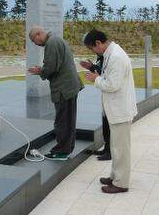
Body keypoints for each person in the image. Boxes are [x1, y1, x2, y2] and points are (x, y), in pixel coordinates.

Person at [83, 29, 137, 194]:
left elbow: (113, 85)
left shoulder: (116, 57)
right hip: (115, 109)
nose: (93, 52)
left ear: (98, 43)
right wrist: (97, 72)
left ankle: (121, 183)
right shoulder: (111, 53)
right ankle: (115, 176)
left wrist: (95, 79)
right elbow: (109, 76)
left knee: (121, 149)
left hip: (120, 110)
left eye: (92, 48)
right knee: (115, 147)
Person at [27, 26, 84, 161]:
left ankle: (61, 152)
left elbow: (51, 67)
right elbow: (56, 64)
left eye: (35, 41)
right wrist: (43, 69)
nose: (36, 44)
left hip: (64, 89)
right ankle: (66, 149)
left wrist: (40, 71)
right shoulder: (56, 40)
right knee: (68, 120)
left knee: (62, 121)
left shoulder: (51, 43)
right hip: (70, 87)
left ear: (39, 34)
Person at [81, 50, 111, 161]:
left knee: (108, 125)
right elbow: (101, 71)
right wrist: (91, 67)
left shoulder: (109, 57)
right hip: (105, 94)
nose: (92, 50)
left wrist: (93, 71)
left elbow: (105, 74)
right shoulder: (102, 56)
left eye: (91, 47)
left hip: (111, 97)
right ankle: (107, 149)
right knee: (105, 123)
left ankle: (109, 151)